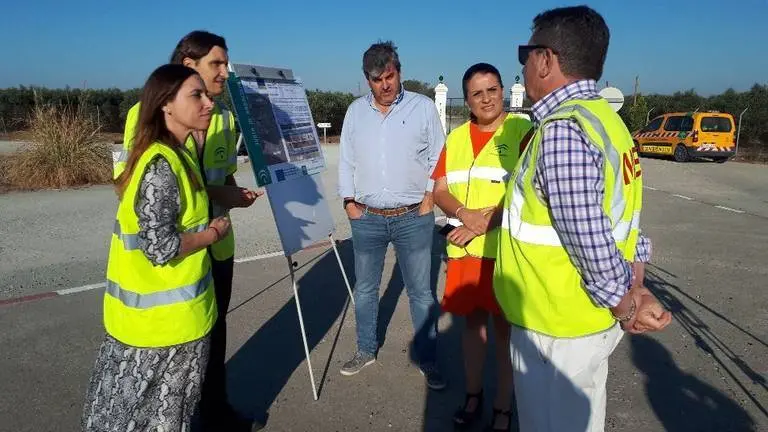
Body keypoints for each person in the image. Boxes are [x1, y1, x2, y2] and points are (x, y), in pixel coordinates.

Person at [493, 6, 673, 432]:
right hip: (582, 323)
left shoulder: (562, 131)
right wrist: (636, 286)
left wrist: (627, 306)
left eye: (525, 54)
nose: (522, 65)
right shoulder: (608, 121)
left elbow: (589, 240)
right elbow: (626, 220)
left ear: (545, 60)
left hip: (555, 329)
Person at [118, 31, 262, 431]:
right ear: (188, 65)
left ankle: (215, 412)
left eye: (226, 63)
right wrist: (209, 200)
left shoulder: (224, 117)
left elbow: (221, 176)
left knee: (214, 334)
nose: (225, 72)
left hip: (218, 249)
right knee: (171, 352)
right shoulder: (143, 114)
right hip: (174, 258)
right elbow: (137, 191)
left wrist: (236, 195)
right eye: (217, 63)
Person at [81, 64, 227, 431]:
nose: (208, 102)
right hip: (164, 332)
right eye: (196, 95)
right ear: (166, 104)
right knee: (161, 419)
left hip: (151, 326)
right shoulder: (161, 165)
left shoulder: (174, 153)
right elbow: (159, 247)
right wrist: (212, 234)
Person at [337, 40, 447, 389]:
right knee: (366, 289)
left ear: (399, 72)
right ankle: (365, 349)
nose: (385, 85)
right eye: (377, 79)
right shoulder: (355, 112)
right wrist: (349, 203)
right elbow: (346, 160)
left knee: (421, 292)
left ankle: (428, 359)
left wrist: (429, 198)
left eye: (390, 76)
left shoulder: (423, 107)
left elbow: (439, 156)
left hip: (414, 215)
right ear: (367, 79)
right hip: (366, 217)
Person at [432, 63, 532, 431]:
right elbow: (440, 190)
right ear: (468, 100)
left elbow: (529, 193)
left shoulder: (523, 132)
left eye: (492, 90)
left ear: (503, 91)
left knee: (505, 335)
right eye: (477, 93)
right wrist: (464, 214)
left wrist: (485, 222)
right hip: (465, 254)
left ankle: (503, 407)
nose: (486, 99)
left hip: (505, 254)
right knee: (472, 329)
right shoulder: (456, 138)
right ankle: (473, 395)